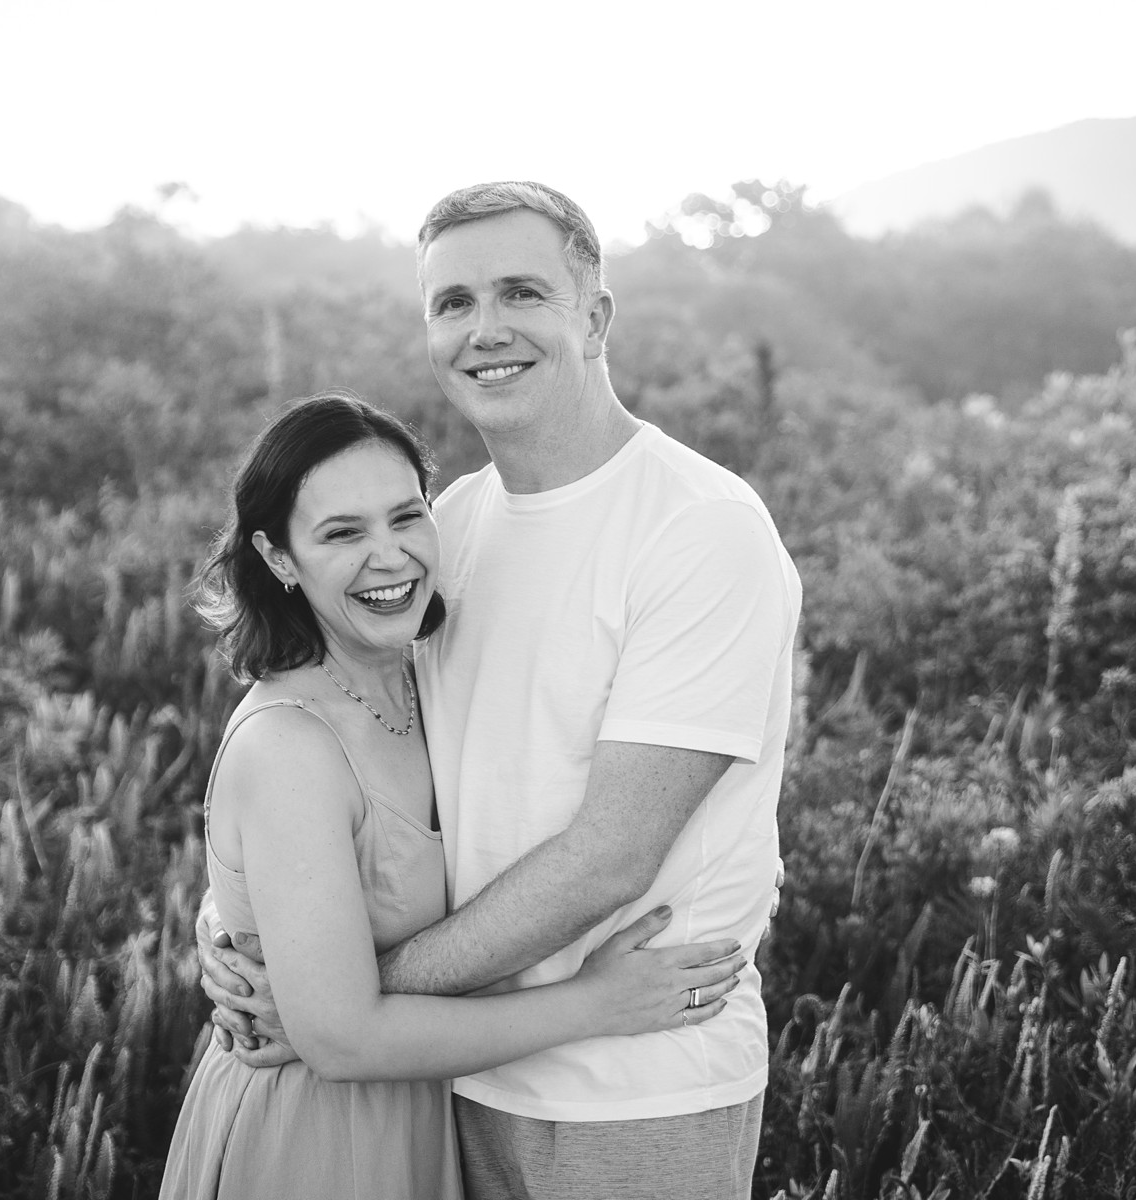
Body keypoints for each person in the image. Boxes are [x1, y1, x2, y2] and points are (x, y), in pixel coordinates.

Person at [200, 183, 803, 1199]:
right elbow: (331, 755)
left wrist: (333, 1000)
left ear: (595, 318)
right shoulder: (448, 525)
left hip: (633, 1082)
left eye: (522, 292)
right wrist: (235, 927)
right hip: (446, 1086)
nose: (485, 329)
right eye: (453, 302)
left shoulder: (698, 528)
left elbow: (611, 857)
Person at [159, 391, 745, 1200]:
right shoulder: (290, 745)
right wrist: (595, 1005)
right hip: (314, 1140)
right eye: (341, 533)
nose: (389, 555)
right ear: (279, 557)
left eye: (406, 517)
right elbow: (341, 1041)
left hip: (426, 1119)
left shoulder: (423, 679)